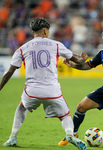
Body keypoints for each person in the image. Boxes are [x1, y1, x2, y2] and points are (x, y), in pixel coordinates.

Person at [0, 18, 88, 150]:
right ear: (46, 31)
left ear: (33, 32)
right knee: (65, 116)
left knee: (22, 107)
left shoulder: (22, 49)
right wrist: (83, 58)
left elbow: (9, 71)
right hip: (53, 92)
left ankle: (13, 136)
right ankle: (69, 134)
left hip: (32, 91)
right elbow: (78, 59)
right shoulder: (56, 45)